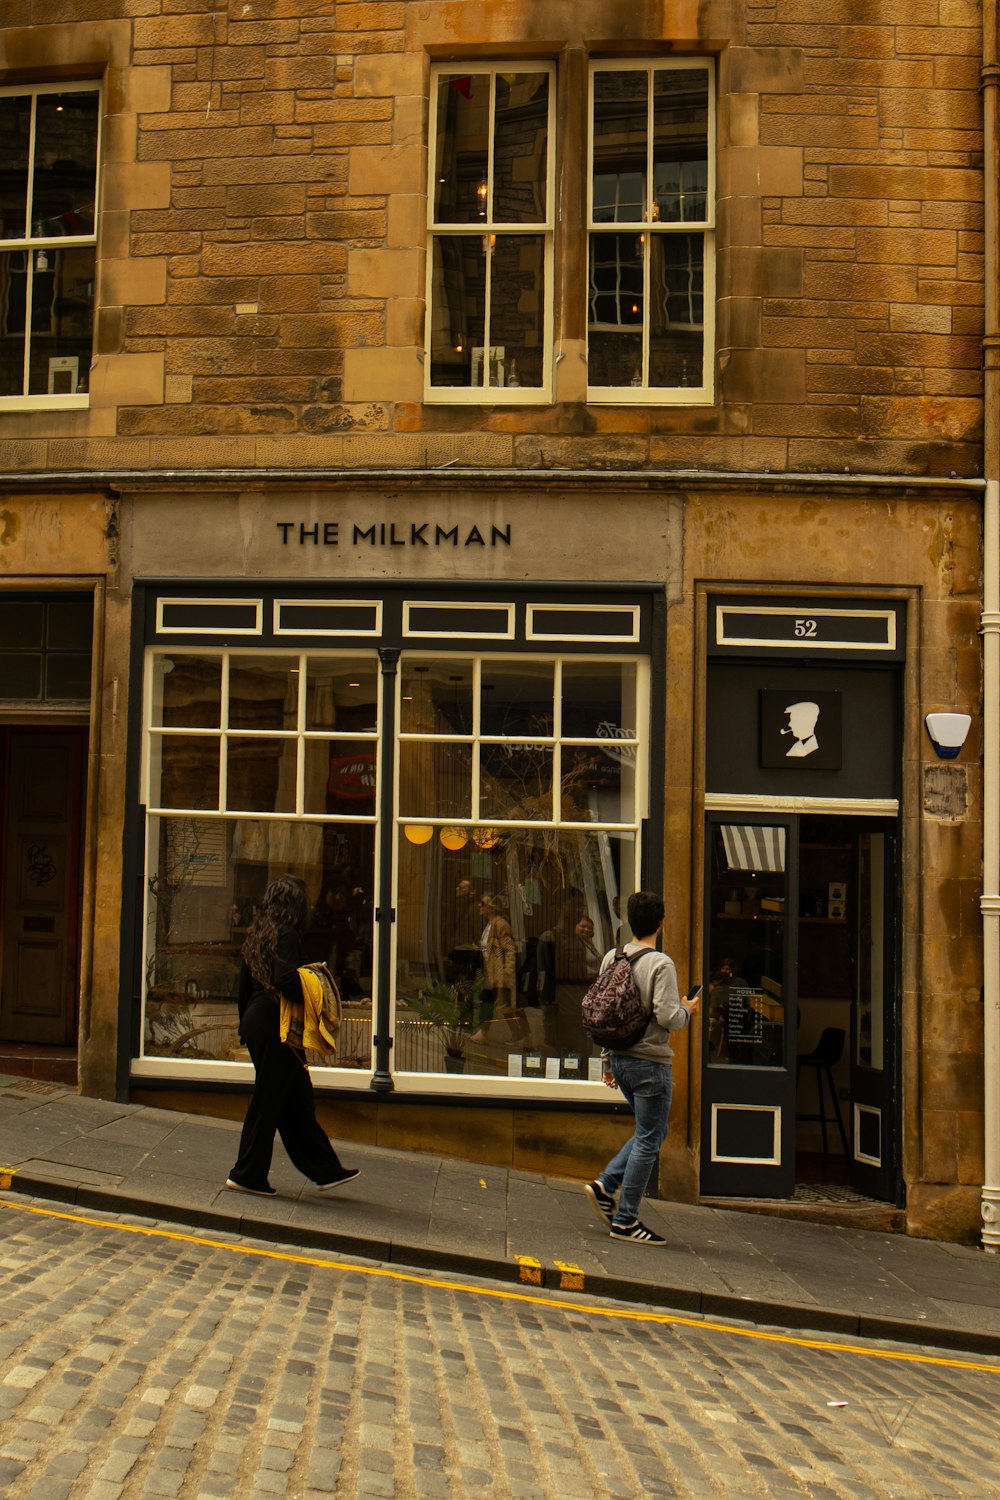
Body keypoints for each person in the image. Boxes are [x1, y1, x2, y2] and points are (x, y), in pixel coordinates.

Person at [226, 874, 360, 1197]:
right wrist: (314, 989)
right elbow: (285, 980)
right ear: (296, 906)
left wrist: (245, 1027)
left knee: (296, 1098)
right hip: (277, 1027)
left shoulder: (259, 932)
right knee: (268, 1103)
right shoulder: (286, 934)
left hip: (258, 1022)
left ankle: (325, 1170)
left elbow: (243, 987)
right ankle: (247, 1174)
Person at [583, 890, 699, 1245]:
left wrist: (606, 1062)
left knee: (650, 1131)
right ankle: (626, 1219)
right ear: (661, 923)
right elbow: (668, 1018)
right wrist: (688, 1010)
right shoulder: (660, 964)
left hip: (620, 1061)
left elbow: (605, 1013)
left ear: (629, 922)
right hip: (650, 1065)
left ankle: (606, 1185)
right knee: (651, 1137)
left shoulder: (611, 957)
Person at [468, 893, 530, 1045]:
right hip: (491, 972)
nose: (479, 907)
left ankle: (484, 1032)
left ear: (491, 908)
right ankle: (521, 1032)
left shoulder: (501, 924)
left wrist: (507, 974)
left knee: (497, 1002)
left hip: (499, 973)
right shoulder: (490, 924)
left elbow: (509, 950)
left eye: (483, 904)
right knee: (503, 1005)